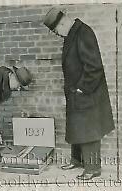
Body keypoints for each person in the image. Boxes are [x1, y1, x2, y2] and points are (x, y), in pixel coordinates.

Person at [43, 8, 115, 180]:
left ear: (62, 23)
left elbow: (94, 66)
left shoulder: (83, 32)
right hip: (76, 92)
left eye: (56, 31)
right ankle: (77, 160)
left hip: (87, 92)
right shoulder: (72, 34)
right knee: (76, 126)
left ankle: (93, 168)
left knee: (88, 130)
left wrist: (82, 88)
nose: (57, 35)